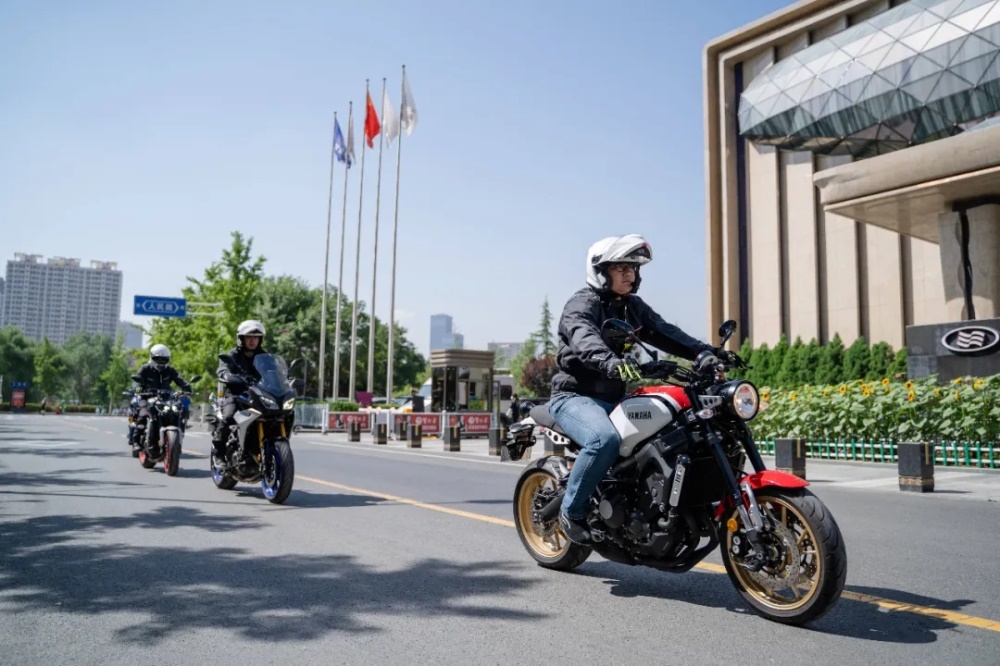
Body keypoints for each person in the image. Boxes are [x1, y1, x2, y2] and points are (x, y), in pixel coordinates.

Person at [549, 234, 715, 545]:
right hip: (575, 396)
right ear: (601, 271)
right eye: (621, 268)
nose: (630, 275)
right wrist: (612, 363)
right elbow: (585, 340)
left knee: (673, 428)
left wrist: (706, 352)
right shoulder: (581, 304)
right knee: (604, 439)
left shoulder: (632, 308)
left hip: (614, 398)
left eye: (633, 269)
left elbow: (666, 333)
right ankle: (572, 512)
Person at [213, 319, 267, 464]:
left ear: (260, 339)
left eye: (256, 337)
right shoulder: (233, 355)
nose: (252, 340)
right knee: (229, 416)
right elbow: (223, 368)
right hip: (236, 394)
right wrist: (225, 374)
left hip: (259, 395)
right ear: (241, 338)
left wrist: (286, 378)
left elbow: (275, 371)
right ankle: (219, 453)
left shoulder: (265, 357)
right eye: (249, 337)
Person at [131, 344, 193, 449]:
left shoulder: (170, 370)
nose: (160, 361)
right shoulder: (145, 369)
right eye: (158, 359)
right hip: (146, 397)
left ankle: (178, 435)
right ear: (152, 357)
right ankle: (136, 442)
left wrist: (187, 388)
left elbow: (179, 379)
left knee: (179, 410)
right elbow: (137, 383)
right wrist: (138, 391)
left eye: (164, 359)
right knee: (143, 415)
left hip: (166, 398)